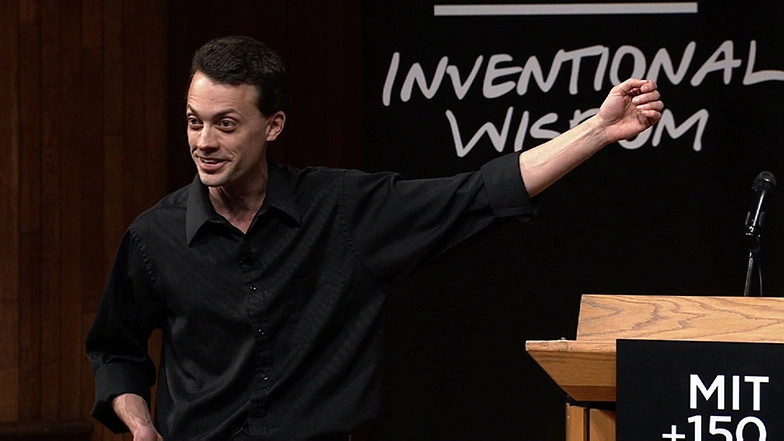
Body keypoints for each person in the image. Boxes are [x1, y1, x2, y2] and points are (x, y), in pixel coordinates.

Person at [86, 35, 663, 441]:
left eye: (225, 123)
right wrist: (138, 421)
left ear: (274, 126)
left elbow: (478, 192)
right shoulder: (153, 237)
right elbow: (116, 349)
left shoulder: (343, 210)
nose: (204, 141)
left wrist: (598, 131)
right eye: (194, 121)